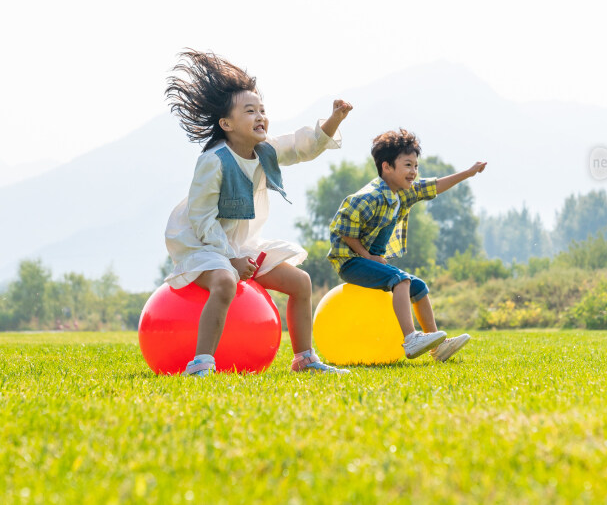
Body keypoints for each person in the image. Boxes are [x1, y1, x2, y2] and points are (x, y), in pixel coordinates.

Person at [164, 50, 352, 376]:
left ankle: (305, 358)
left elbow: (300, 146)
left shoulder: (265, 151)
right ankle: (201, 364)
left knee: (301, 282)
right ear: (226, 124)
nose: (260, 116)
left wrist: (333, 120)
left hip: (240, 245)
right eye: (250, 111)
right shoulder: (214, 161)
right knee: (224, 280)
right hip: (202, 243)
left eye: (262, 110)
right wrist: (230, 259)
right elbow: (202, 219)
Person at [328, 129, 487, 362]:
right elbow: (341, 229)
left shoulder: (403, 192)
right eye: (408, 165)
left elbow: (433, 186)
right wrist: (367, 257)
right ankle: (411, 339)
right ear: (387, 167)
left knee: (418, 286)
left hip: (368, 259)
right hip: (350, 262)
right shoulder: (369, 197)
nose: (413, 172)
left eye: (416, 166)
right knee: (400, 279)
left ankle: (437, 345)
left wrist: (469, 173)